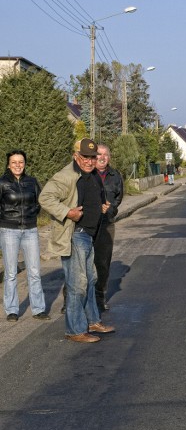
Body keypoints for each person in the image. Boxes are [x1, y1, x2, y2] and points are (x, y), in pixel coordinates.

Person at [39, 138, 115, 343]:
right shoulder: (65, 176)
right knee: (77, 284)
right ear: (75, 156)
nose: (90, 161)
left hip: (89, 235)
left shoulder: (91, 175)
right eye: (86, 157)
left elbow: (91, 198)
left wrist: (101, 207)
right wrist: (67, 212)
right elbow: (45, 198)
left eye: (93, 157)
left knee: (90, 280)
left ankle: (92, 321)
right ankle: (74, 329)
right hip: (75, 234)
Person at [0, 150, 48, 322]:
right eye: (14, 162)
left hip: (30, 230)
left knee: (34, 271)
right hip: (9, 231)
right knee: (11, 272)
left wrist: (32, 215)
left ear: (25, 163)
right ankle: (12, 310)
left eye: (21, 162)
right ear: (8, 164)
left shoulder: (32, 182)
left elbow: (39, 202)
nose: (18, 165)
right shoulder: (2, 182)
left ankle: (38, 309)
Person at [93, 144, 123, 312]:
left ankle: (99, 297)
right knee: (81, 262)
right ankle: (71, 299)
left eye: (105, 154)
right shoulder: (87, 174)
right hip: (87, 224)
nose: (102, 157)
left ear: (109, 158)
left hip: (106, 224)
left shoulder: (115, 175)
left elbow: (119, 196)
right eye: (99, 154)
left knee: (103, 263)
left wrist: (112, 209)